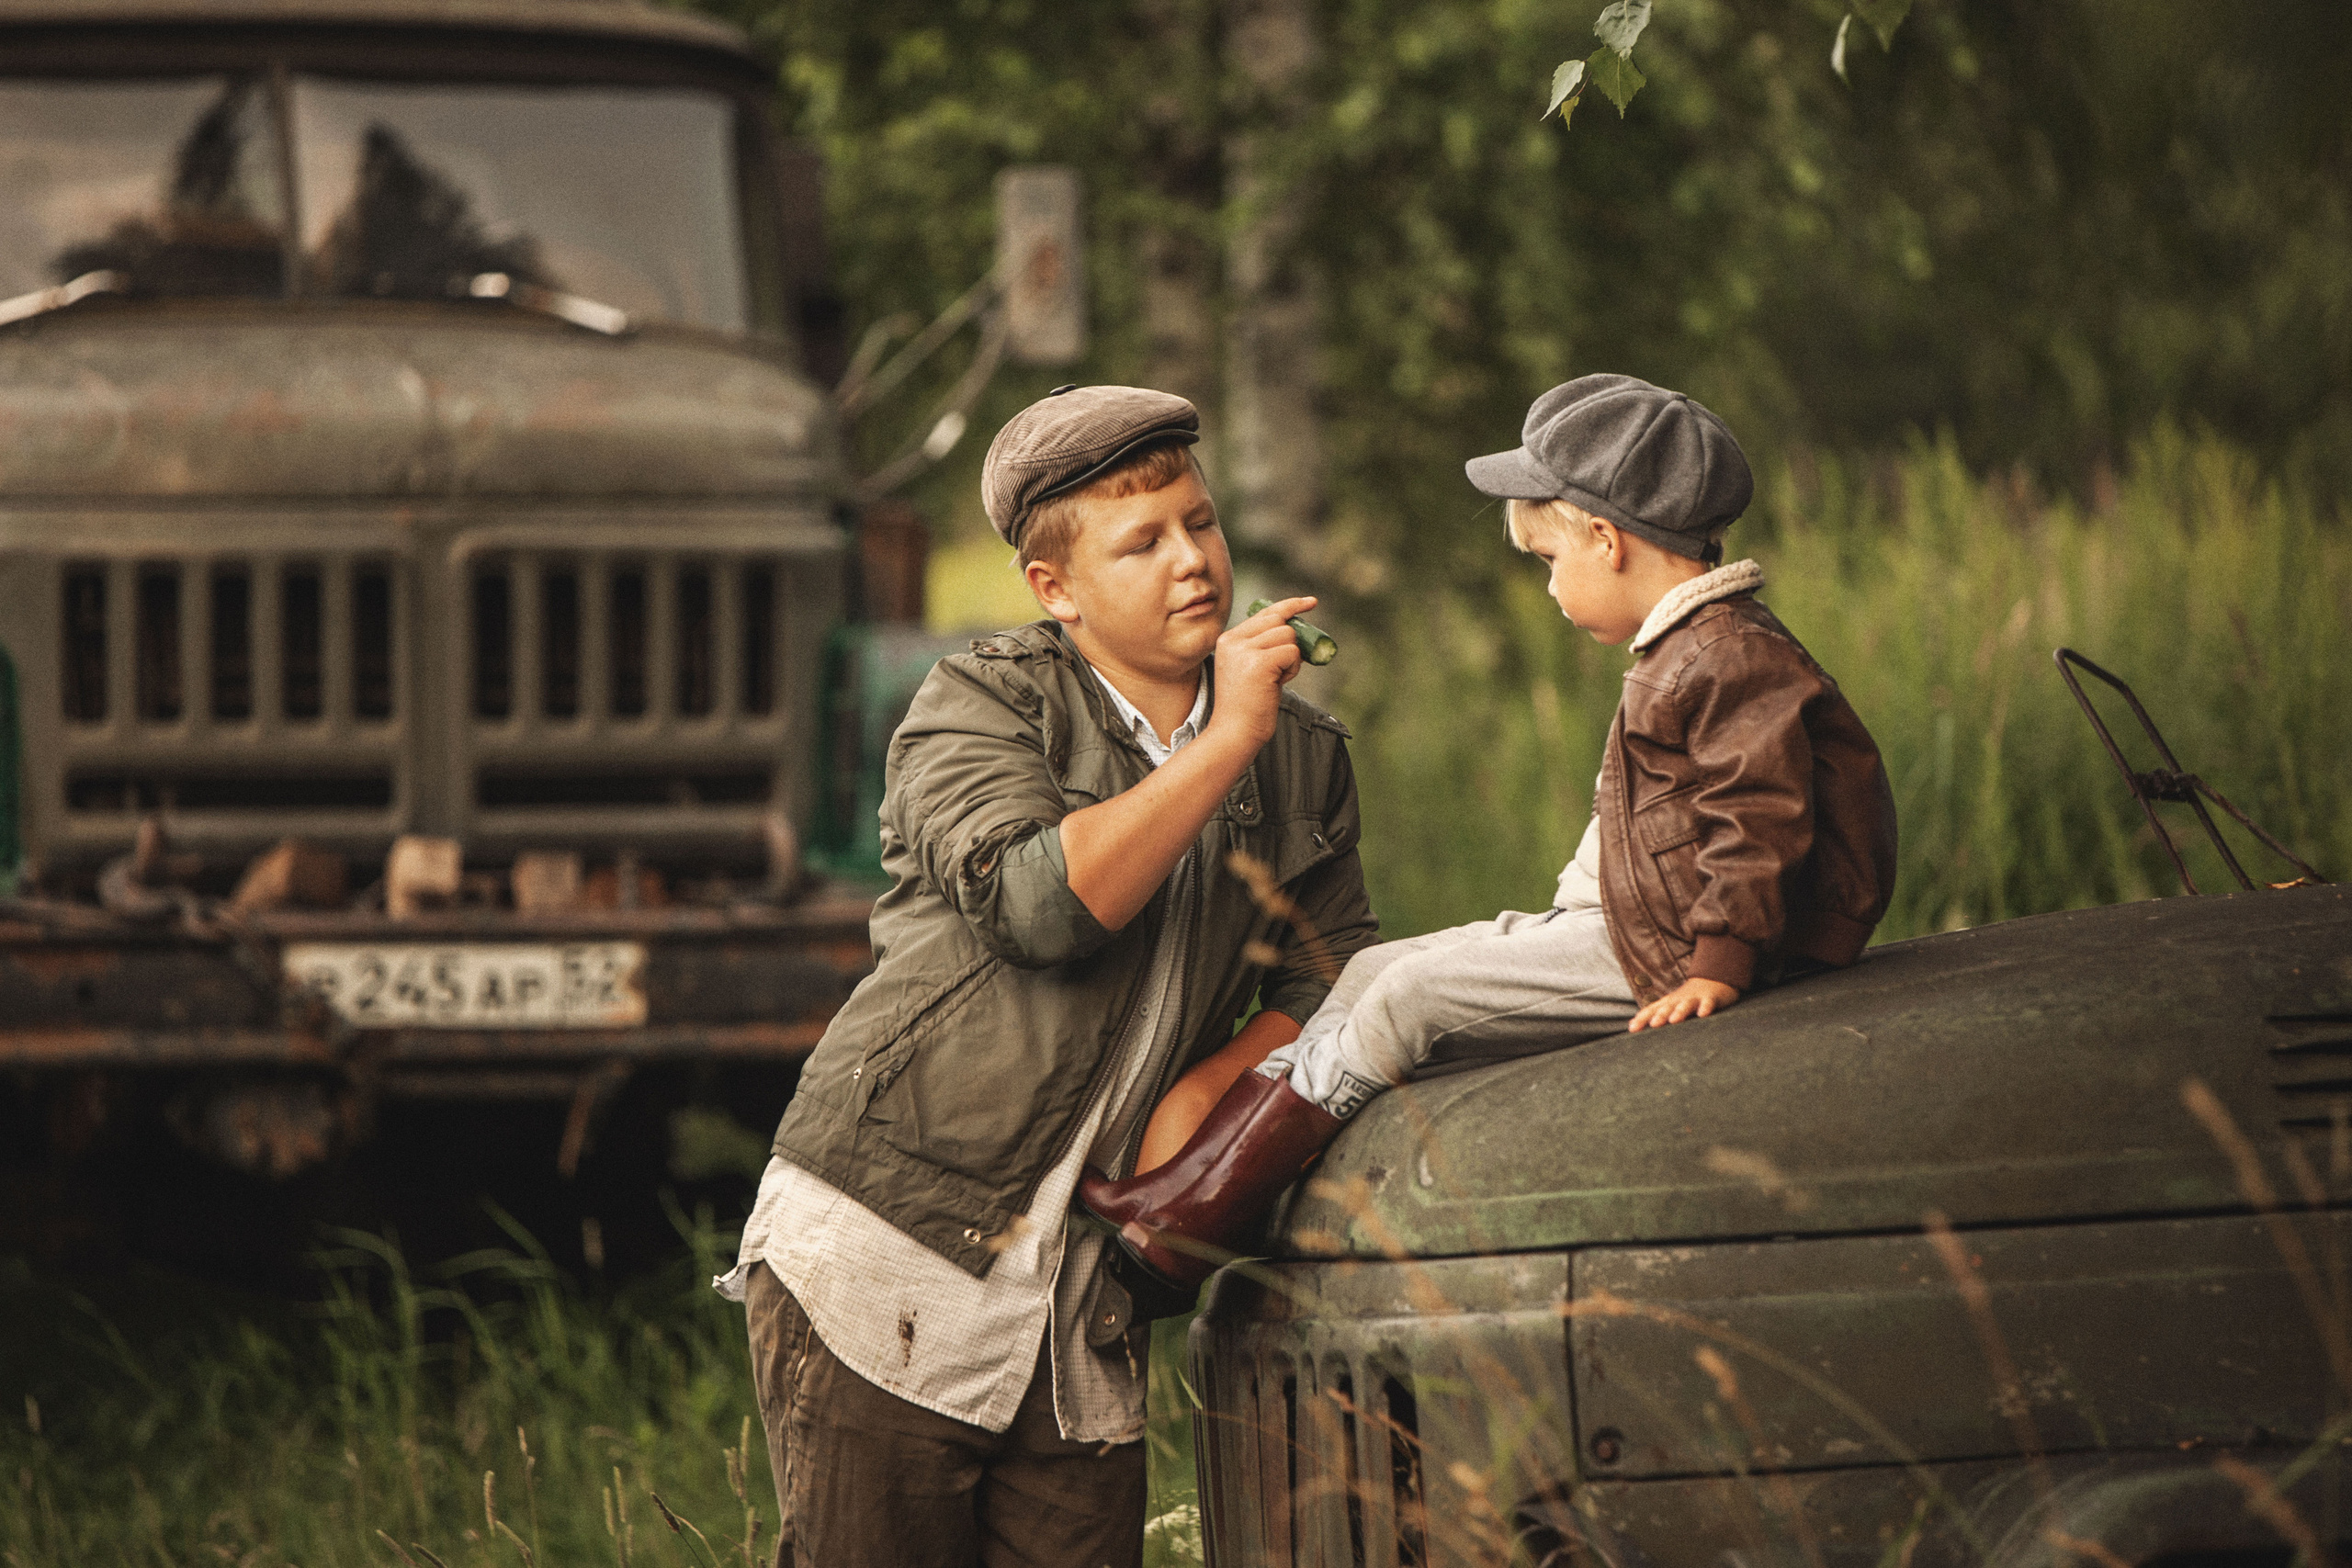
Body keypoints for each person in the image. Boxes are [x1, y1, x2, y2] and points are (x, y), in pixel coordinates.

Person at [716, 385, 1378, 1568]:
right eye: (1143, 542)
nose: (1193, 562)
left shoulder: (1305, 761)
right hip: (891, 1253)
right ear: (1055, 590)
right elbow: (1039, 908)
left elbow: (1331, 973)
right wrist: (1225, 737)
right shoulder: (979, 702)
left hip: (1083, 1304)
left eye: (1202, 523)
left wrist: (1204, 1098)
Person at [1082, 373, 1900, 1289]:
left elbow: (1761, 818)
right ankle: (1179, 1184)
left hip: (1674, 952)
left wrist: (1719, 963)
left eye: (1550, 562)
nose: (1549, 589)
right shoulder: (1689, 648)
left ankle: (1197, 1216)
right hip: (1643, 926)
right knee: (1368, 972)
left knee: (1410, 1000)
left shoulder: (1721, 655)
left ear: (1606, 539)